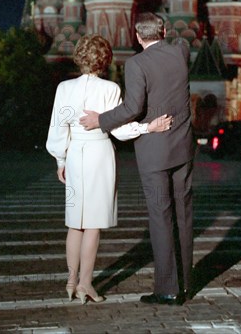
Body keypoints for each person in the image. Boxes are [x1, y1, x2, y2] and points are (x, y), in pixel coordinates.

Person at [46, 34, 172, 305]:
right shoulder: (110, 89)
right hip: (99, 155)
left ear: (79, 56)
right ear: (104, 60)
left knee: (74, 224)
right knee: (92, 225)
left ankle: (70, 281)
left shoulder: (63, 88)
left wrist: (61, 161)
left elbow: (58, 128)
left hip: (75, 154)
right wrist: (148, 127)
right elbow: (120, 128)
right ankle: (85, 284)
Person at [80, 12, 194, 305]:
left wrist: (100, 120)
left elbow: (133, 107)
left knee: (160, 217)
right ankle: (186, 283)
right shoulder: (181, 52)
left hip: (155, 151)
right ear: (164, 30)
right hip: (182, 146)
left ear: (137, 36)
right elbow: (180, 42)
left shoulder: (136, 63)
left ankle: (167, 289)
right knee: (183, 214)